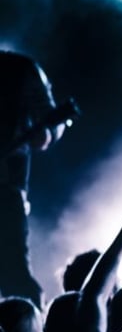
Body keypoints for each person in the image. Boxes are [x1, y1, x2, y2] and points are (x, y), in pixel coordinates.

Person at [1, 50, 69, 305]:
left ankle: (27, 327)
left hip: (6, 190)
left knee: (14, 276)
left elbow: (52, 122)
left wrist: (45, 133)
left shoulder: (19, 70)